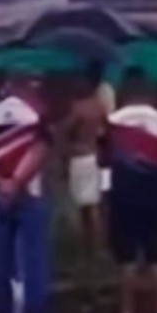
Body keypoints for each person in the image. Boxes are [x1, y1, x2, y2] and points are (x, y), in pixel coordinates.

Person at [0, 72, 57, 313]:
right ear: (24, 86)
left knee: (0, 258)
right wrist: (16, 182)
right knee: (33, 257)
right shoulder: (35, 117)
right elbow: (39, 151)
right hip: (28, 193)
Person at [101, 66, 157, 313]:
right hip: (155, 194)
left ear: (126, 90)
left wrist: (105, 195)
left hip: (124, 194)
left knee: (127, 258)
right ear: (148, 90)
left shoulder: (115, 120)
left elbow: (105, 160)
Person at [61, 59, 113, 256]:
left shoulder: (80, 108)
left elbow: (66, 131)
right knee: (94, 205)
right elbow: (107, 131)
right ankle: (97, 246)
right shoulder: (101, 106)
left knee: (86, 208)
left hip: (81, 158)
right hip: (96, 157)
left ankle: (92, 248)